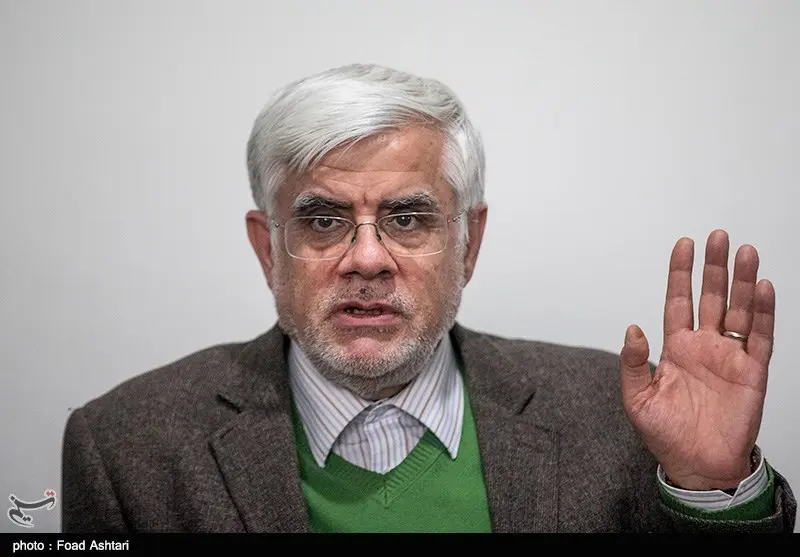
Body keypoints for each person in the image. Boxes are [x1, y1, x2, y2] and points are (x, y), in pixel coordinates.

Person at [61, 63, 796, 533]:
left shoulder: (622, 417)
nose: (367, 259)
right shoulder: (125, 447)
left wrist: (709, 489)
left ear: (469, 244)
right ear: (267, 248)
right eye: (323, 221)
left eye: (409, 219)